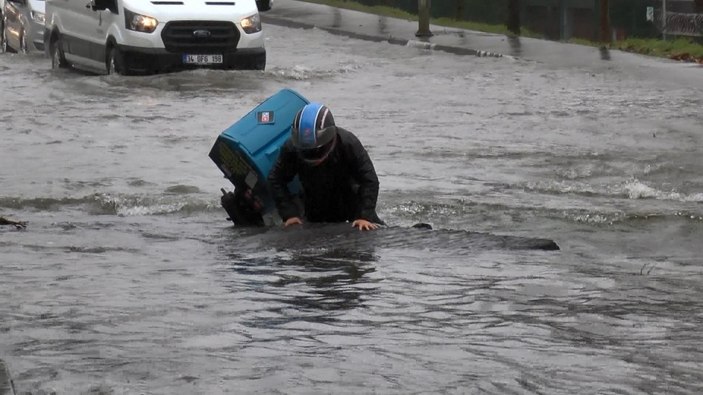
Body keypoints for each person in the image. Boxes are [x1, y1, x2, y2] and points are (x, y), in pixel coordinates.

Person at [268, 102, 384, 231]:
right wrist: (289, 214)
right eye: (307, 151)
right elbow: (276, 178)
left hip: (351, 205)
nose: (313, 157)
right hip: (315, 207)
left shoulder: (348, 143)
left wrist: (365, 216)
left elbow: (370, 180)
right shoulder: (291, 148)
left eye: (316, 151)